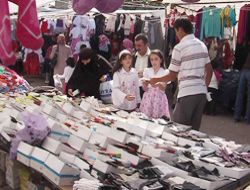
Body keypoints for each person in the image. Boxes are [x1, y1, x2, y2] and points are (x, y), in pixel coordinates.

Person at [150, 18, 213, 131]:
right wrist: (204, 87)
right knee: (194, 132)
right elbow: (209, 70)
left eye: (176, 31)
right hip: (201, 93)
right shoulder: (202, 45)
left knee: (178, 129)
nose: (176, 35)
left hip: (187, 93)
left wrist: (155, 79)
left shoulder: (179, 48)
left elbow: (172, 75)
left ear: (180, 30)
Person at [139, 50, 170, 119]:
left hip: (159, 98)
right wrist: (145, 84)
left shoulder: (165, 72)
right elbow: (145, 89)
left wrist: (158, 84)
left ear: (161, 60)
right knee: (146, 119)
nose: (154, 62)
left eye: (156, 59)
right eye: (151, 59)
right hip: (148, 98)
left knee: (159, 120)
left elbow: (163, 88)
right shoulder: (147, 70)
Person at [234, 50, 250, 123]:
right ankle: (247, 118)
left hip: (244, 70)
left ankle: (237, 116)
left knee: (239, 95)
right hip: (246, 70)